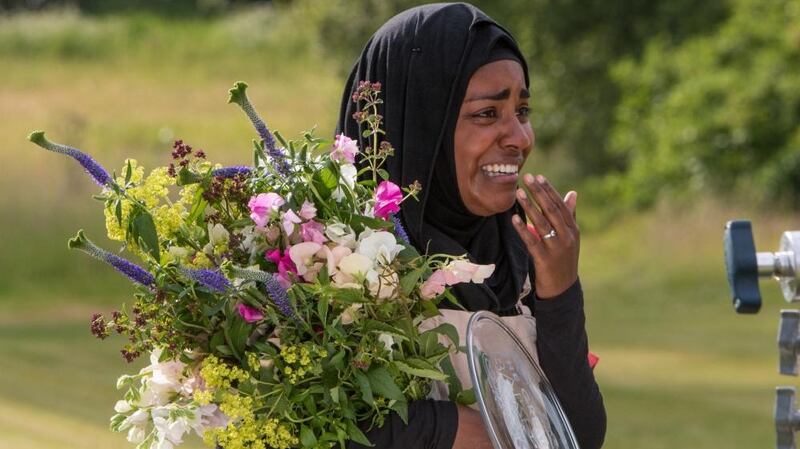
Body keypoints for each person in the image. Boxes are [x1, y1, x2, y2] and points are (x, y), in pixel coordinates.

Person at [336, 3, 606, 449]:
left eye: (522, 110)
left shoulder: (517, 256)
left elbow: (578, 437)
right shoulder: (334, 257)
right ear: (422, 125)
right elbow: (304, 423)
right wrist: (446, 428)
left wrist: (560, 292)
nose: (519, 138)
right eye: (487, 114)